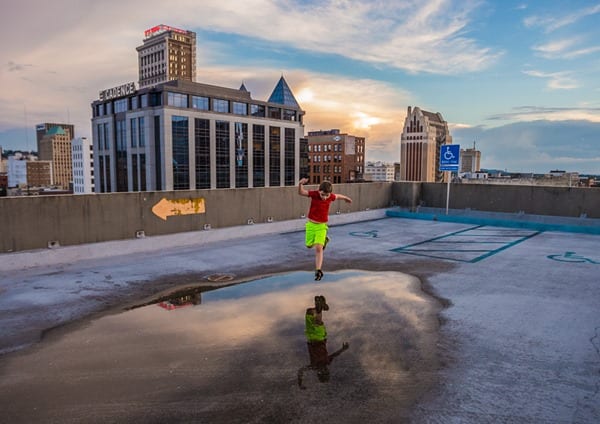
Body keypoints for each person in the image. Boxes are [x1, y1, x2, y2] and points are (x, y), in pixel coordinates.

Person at [298, 178, 352, 280]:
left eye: (327, 195)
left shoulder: (330, 197)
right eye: (322, 194)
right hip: (311, 225)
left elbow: (338, 196)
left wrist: (346, 198)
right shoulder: (314, 194)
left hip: (322, 226)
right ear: (319, 191)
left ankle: (318, 270)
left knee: (319, 248)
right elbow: (301, 192)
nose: (324, 197)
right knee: (309, 245)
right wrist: (300, 184)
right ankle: (324, 240)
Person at [297, 295, 349, 389]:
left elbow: (335, 355)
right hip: (315, 337)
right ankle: (319, 306)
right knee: (310, 313)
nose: (324, 370)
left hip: (322, 336)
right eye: (326, 371)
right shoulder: (316, 365)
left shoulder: (323, 363)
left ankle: (319, 306)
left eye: (323, 372)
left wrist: (343, 349)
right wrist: (300, 383)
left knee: (317, 319)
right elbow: (301, 371)